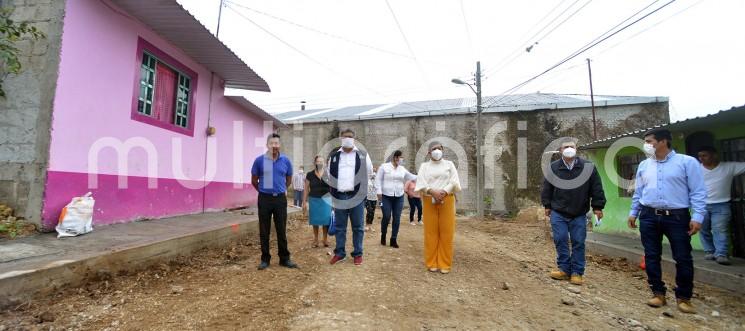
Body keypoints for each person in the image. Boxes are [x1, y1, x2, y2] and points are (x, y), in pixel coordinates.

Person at [628, 128, 706, 314]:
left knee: (683, 257)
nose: (646, 145)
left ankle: (684, 297)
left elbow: (698, 191)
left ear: (663, 142)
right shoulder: (644, 165)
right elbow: (639, 192)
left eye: (649, 141)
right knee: (652, 256)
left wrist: (697, 216)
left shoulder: (687, 163)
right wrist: (634, 212)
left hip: (677, 216)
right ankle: (658, 293)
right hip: (648, 215)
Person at [541, 139, 606, 286]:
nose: (569, 149)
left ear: (576, 149)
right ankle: (564, 269)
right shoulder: (553, 168)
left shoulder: (588, 167)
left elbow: (596, 187)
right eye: (566, 147)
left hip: (579, 212)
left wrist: (598, 207)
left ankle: (577, 272)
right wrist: (547, 205)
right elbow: (547, 188)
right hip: (558, 211)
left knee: (578, 242)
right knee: (560, 239)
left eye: (571, 146)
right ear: (560, 151)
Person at [251, 133, 298, 270]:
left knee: (281, 229)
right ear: (267, 145)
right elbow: (254, 180)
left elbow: (289, 178)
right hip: (264, 199)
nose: (274, 146)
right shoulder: (259, 161)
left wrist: (282, 188)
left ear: (280, 145)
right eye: (272, 143)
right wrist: (262, 191)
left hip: (280, 200)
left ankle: (284, 259)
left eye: (277, 143)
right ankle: (265, 259)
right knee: (264, 230)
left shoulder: (286, 161)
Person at [328, 128, 373, 266]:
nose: (347, 138)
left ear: (354, 139)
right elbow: (330, 176)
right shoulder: (334, 156)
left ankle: (358, 253)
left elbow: (369, 173)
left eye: (350, 136)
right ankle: (340, 253)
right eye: (344, 136)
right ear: (341, 138)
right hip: (339, 196)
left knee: (358, 227)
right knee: (340, 227)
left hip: (356, 197)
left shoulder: (363, 155)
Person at [415, 142, 461, 274]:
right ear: (429, 153)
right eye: (433, 149)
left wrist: (444, 192)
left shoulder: (449, 165)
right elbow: (421, 182)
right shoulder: (424, 166)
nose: (436, 151)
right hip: (429, 200)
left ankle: (445, 263)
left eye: (439, 148)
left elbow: (454, 181)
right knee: (431, 232)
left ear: (443, 150)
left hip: (447, 199)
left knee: (447, 232)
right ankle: (431, 262)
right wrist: (431, 191)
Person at [697, 146, 745, 265]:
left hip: (721, 205)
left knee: (720, 229)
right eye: (700, 156)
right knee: (703, 229)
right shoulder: (696, 169)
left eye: (704, 155)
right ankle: (709, 251)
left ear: (714, 155)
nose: (701, 158)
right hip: (701, 205)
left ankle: (721, 254)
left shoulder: (728, 167)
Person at [377, 150, 417, 248]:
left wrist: (425, 175)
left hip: (399, 196)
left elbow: (412, 177)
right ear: (396, 157)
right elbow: (378, 179)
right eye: (401, 157)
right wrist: (379, 192)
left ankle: (393, 239)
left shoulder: (402, 169)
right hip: (385, 196)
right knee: (386, 216)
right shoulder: (384, 167)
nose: (402, 159)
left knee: (397, 218)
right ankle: (383, 235)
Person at [304, 155, 332, 248]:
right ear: (315, 163)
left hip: (326, 200)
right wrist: (304, 201)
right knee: (315, 220)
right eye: (318, 161)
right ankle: (315, 239)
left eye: (321, 161)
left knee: (326, 220)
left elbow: (332, 188)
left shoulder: (328, 174)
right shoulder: (310, 174)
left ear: (324, 163)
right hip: (314, 199)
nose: (319, 163)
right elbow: (306, 189)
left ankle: (325, 239)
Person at [365, 166, 379, 232]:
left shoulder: (377, 178)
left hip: (374, 197)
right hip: (368, 197)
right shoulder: (367, 177)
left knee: (373, 212)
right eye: (373, 169)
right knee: (369, 210)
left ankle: (370, 225)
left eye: (375, 169)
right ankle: (367, 225)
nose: (374, 170)